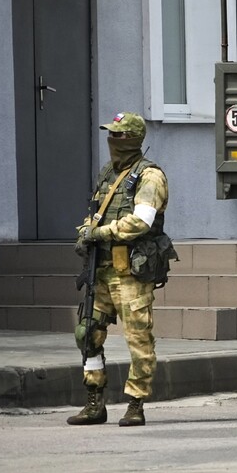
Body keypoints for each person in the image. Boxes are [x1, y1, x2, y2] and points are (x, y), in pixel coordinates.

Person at [67, 112, 169, 427]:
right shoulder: (109, 173)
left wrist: (101, 233)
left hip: (131, 273)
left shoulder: (149, 177)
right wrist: (85, 231)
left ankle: (135, 403)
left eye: (120, 135)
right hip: (101, 269)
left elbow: (141, 221)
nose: (114, 141)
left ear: (135, 139)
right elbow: (95, 213)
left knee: (138, 339)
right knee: (87, 335)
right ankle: (95, 401)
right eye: (112, 135)